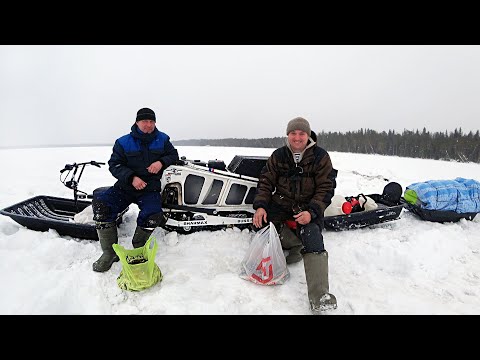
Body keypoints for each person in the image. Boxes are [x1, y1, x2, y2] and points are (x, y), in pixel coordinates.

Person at [252, 117, 338, 312]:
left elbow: (326, 188)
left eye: (301, 133)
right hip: (281, 204)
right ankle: (294, 244)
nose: (297, 137)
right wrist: (261, 206)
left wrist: (312, 211)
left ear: (308, 135)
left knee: (312, 236)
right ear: (288, 135)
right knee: (260, 226)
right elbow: (266, 182)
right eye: (293, 133)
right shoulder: (278, 155)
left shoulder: (320, 157)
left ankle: (320, 297)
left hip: (308, 207)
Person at [92, 107, 179, 272]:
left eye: (152, 121)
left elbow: (173, 155)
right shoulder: (123, 142)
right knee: (102, 206)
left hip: (149, 189)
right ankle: (109, 253)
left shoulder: (162, 139)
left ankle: (138, 247)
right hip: (125, 187)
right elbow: (114, 165)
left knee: (153, 214)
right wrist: (131, 177)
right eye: (145, 121)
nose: (149, 125)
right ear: (137, 122)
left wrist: (161, 162)